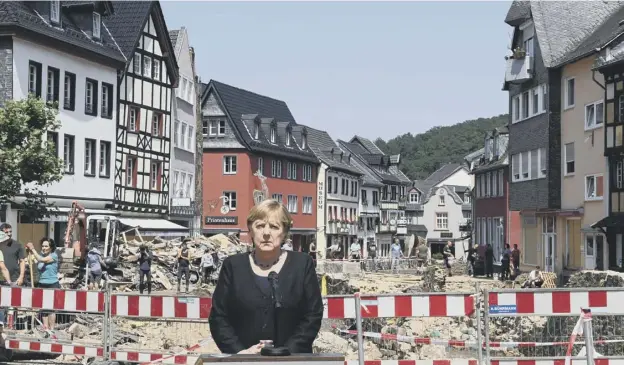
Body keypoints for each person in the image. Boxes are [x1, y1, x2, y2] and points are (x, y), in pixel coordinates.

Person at [209, 199, 323, 355]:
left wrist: (287, 352)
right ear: (250, 229)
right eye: (260, 226)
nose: (267, 233)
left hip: (293, 361)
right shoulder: (233, 267)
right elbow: (218, 317)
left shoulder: (302, 265)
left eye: (274, 227)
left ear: (284, 232)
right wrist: (240, 353)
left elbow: (313, 315)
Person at [26, 238, 59, 330]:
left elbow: (41, 259)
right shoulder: (40, 255)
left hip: (52, 284)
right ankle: (46, 328)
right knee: (43, 307)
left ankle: (51, 329)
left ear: (51, 247)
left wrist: (33, 249)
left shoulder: (54, 256)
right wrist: (29, 253)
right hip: (42, 283)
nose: (44, 248)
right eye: (43, 246)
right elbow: (33, 260)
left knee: (51, 308)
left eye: (46, 246)